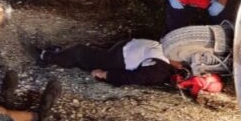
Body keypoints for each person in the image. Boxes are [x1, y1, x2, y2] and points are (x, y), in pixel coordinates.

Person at [38, 38, 176, 87]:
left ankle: (48, 57)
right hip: (125, 48)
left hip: (118, 60)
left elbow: (132, 78)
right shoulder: (172, 51)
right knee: (89, 56)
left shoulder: (159, 71)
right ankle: (63, 55)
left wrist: (105, 74)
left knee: (80, 53)